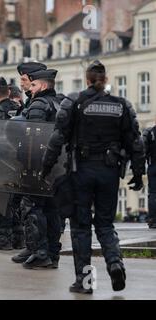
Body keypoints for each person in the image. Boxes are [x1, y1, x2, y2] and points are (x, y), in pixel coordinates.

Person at [42, 60, 146, 293]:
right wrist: (138, 172)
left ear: (87, 79)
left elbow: (57, 137)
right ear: (105, 80)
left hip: (81, 172)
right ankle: (114, 262)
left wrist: (45, 167)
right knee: (105, 224)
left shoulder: (74, 102)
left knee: (81, 227)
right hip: (109, 173)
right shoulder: (122, 105)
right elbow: (135, 142)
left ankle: (85, 281)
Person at [11, 68, 63, 269]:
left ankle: (40, 252)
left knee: (31, 207)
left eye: (33, 85)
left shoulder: (39, 104)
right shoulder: (60, 102)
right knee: (52, 210)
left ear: (42, 85)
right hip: (57, 166)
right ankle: (52, 254)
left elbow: (33, 137)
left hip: (37, 166)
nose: (30, 89)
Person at [0, 77, 24, 250]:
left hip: (1, 162)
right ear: (9, 92)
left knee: (3, 202)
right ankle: (19, 238)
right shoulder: (21, 110)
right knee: (17, 202)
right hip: (20, 162)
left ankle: (4, 239)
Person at [142, 123, 156, 229]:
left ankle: (152, 219)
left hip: (153, 165)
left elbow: (143, 149)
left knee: (153, 193)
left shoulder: (150, 132)